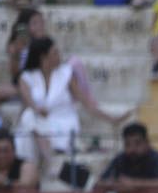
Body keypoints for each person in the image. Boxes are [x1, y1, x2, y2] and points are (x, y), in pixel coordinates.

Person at [14, 38, 127, 171]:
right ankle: (48, 160)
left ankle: (38, 165)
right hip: (39, 123)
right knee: (29, 117)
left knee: (30, 123)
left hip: (63, 125)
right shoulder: (27, 77)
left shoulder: (65, 73)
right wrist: (37, 110)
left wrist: (112, 119)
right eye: (55, 53)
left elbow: (86, 103)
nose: (59, 56)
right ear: (43, 56)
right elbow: (29, 103)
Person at [95, 123, 158, 193]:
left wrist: (134, 184)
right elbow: (99, 184)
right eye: (128, 144)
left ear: (147, 143)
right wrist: (115, 185)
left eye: (137, 143)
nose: (132, 149)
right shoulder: (120, 159)